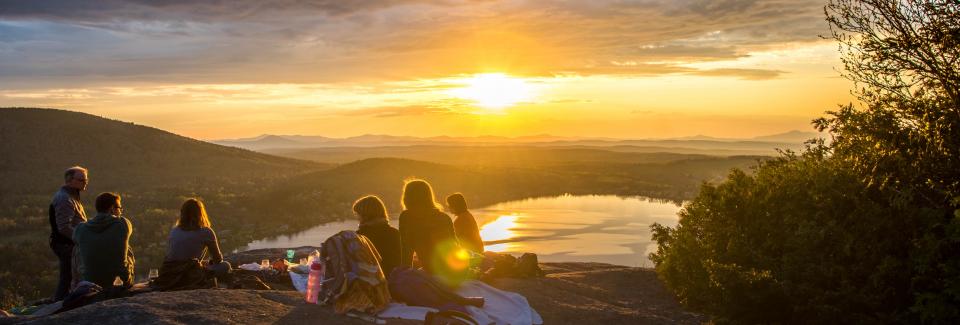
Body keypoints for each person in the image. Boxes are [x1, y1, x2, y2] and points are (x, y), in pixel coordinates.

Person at [398, 179, 466, 284]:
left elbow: (406, 250)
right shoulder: (444, 217)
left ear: (407, 197)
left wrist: (405, 278)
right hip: (455, 271)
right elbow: (456, 246)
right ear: (429, 196)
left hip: (433, 272)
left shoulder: (406, 217)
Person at [73, 192, 135, 289]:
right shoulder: (123, 224)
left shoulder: (80, 228)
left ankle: (75, 284)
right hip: (119, 281)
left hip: (90, 282)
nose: (121, 211)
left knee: (78, 248)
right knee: (127, 247)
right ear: (111, 209)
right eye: (119, 208)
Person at [163, 198, 230, 280]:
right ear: (200, 213)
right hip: (190, 274)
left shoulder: (174, 231)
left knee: (203, 264)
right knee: (225, 265)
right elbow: (218, 260)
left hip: (170, 273)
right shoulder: (206, 232)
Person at [49, 166, 89, 301]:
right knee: (68, 277)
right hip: (66, 244)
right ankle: (61, 304)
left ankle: (62, 302)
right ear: (69, 180)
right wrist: (81, 239)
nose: (85, 182)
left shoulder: (72, 196)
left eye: (86, 179)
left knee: (70, 276)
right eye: (81, 179)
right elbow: (64, 227)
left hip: (68, 243)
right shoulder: (64, 199)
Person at [353, 195, 401, 277]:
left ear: (365, 215)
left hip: (371, 284)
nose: (357, 218)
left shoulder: (359, 237)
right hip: (396, 281)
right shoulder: (395, 233)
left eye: (358, 214)